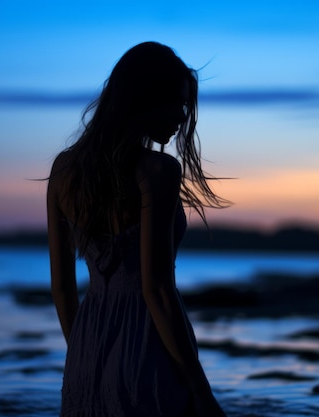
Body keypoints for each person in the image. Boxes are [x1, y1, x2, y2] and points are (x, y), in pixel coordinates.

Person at [47, 41, 228, 417]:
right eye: (176, 102)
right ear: (145, 99)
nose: (182, 115)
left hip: (85, 350)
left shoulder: (63, 171)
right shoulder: (157, 171)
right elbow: (156, 290)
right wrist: (200, 387)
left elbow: (63, 290)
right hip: (148, 347)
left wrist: (83, 353)